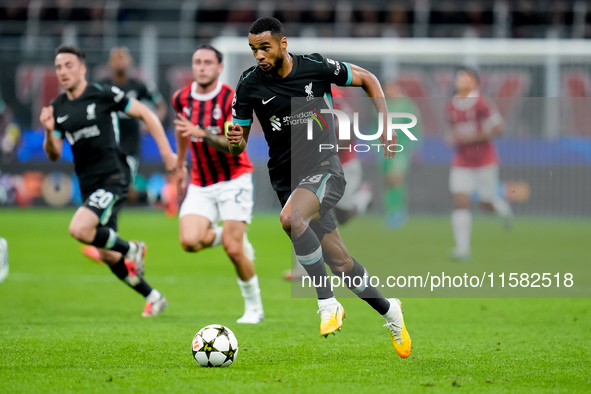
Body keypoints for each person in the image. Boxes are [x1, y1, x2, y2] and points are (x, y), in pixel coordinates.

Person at [227, 17, 411, 357]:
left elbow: (368, 79)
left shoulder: (315, 67)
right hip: (286, 178)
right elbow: (236, 142)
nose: (259, 55)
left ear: (283, 44)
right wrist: (235, 140)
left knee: (290, 219)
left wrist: (385, 124)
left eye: (264, 47)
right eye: (253, 49)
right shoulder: (249, 84)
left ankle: (327, 303)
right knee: (341, 263)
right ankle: (391, 311)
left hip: (326, 168)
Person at [40, 45, 177, 316]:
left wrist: (166, 152)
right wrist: (48, 131)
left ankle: (133, 248)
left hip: (114, 175)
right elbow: (54, 154)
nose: (63, 72)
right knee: (107, 253)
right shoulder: (57, 107)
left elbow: (146, 113)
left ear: (82, 68)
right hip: (88, 183)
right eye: (58, 67)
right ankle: (154, 296)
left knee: (79, 229)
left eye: (69, 65)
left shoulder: (102, 93)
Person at [172, 44, 263, 324]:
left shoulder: (231, 100)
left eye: (208, 62)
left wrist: (202, 132)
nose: (201, 66)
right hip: (201, 180)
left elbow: (232, 146)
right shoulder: (182, 98)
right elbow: (182, 131)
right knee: (189, 241)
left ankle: (254, 309)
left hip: (234, 179)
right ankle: (232, 231)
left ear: (220, 68)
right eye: (197, 61)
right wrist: (180, 163)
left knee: (234, 250)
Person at [82, 47, 168, 263]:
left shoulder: (139, 86)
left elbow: (160, 105)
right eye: (115, 57)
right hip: (106, 147)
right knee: (118, 192)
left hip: (129, 148)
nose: (119, 61)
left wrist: (151, 123)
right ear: (110, 62)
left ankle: (107, 243)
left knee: (119, 192)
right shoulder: (102, 86)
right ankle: (159, 198)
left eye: (123, 57)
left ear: (129, 62)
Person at [445, 67, 513, 261]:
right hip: (462, 161)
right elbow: (452, 130)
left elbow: (499, 128)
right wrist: (451, 138)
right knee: (460, 199)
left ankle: (504, 211)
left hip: (485, 160)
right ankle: (462, 249)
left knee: (486, 202)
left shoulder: (483, 103)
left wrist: (472, 138)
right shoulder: (451, 106)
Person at [380, 80, 422, 229]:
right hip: (384, 149)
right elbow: (376, 127)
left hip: (401, 150)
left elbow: (415, 127)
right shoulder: (381, 105)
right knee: (388, 182)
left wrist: (415, 147)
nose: (389, 91)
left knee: (396, 179)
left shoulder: (407, 106)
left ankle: (399, 212)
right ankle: (391, 211)